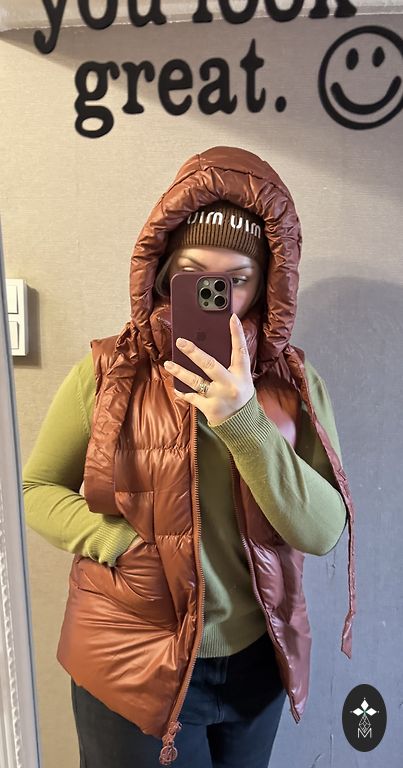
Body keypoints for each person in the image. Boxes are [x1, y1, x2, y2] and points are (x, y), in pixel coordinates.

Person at [23, 146, 356, 768]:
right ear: (163, 272)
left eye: (236, 280)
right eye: (194, 275)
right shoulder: (110, 371)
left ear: (267, 285)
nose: (214, 296)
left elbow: (322, 531)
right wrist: (117, 542)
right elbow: (35, 489)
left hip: (256, 666)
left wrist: (244, 421)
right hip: (130, 659)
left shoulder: (294, 385)